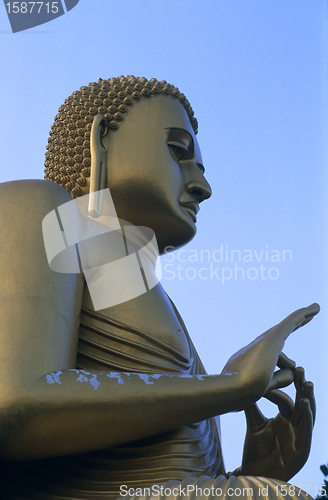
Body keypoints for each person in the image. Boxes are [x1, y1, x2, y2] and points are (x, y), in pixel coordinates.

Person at [0, 76, 318, 500]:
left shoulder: (164, 307)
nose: (202, 188)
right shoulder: (40, 208)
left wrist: (251, 470)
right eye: (178, 152)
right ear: (100, 139)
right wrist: (230, 389)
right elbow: (13, 404)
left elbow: (166, 463)